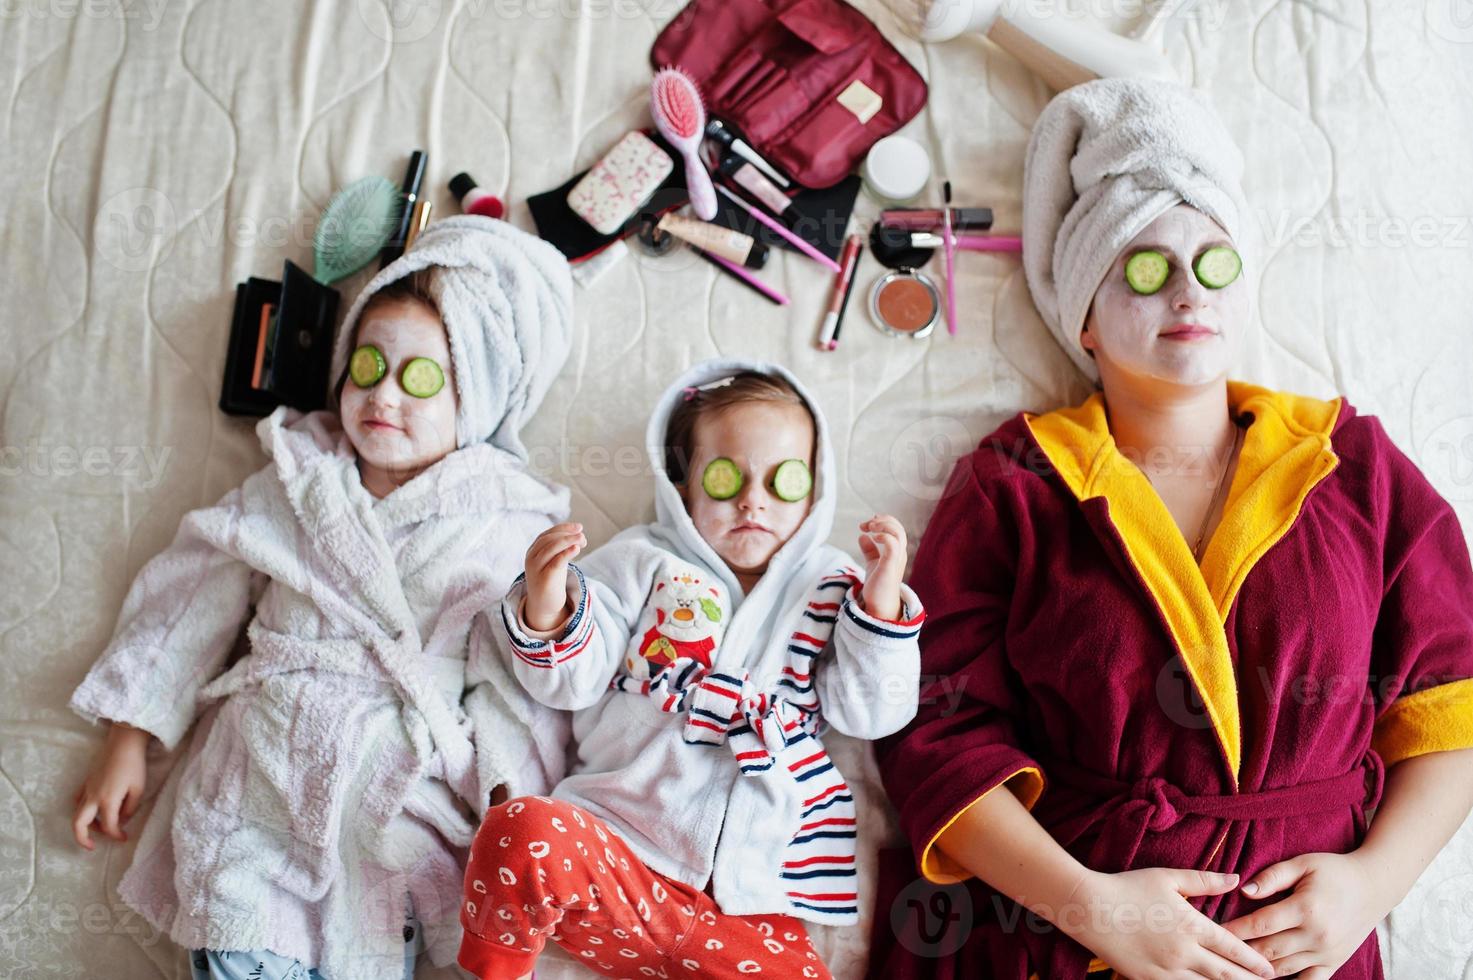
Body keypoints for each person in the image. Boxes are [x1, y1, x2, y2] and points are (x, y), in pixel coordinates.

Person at [869, 78, 1473, 980]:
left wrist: (1370, 886)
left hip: (1306, 946)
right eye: (1142, 269)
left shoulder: (1353, 464)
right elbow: (932, 732)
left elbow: (1449, 700)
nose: (1187, 291)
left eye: (1213, 262)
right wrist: (1090, 906)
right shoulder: (1015, 485)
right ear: (1082, 318)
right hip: (1075, 934)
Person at [68, 216, 577, 980]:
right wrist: (129, 734)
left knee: (371, 938)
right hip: (264, 774)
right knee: (238, 935)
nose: (382, 393)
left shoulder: (506, 519)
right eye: (366, 364)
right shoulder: (299, 477)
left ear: (476, 396)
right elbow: (195, 587)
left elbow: (510, 680)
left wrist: (508, 790)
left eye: (421, 377)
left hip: (396, 796)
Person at [458, 360, 926, 979]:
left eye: (783, 480)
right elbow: (572, 682)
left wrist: (882, 606)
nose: (753, 499)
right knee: (520, 828)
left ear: (814, 491)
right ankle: (491, 970)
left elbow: (872, 712)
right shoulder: (643, 560)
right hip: (617, 857)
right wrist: (547, 604)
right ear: (684, 487)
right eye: (727, 476)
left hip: (753, 905)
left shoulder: (836, 586)